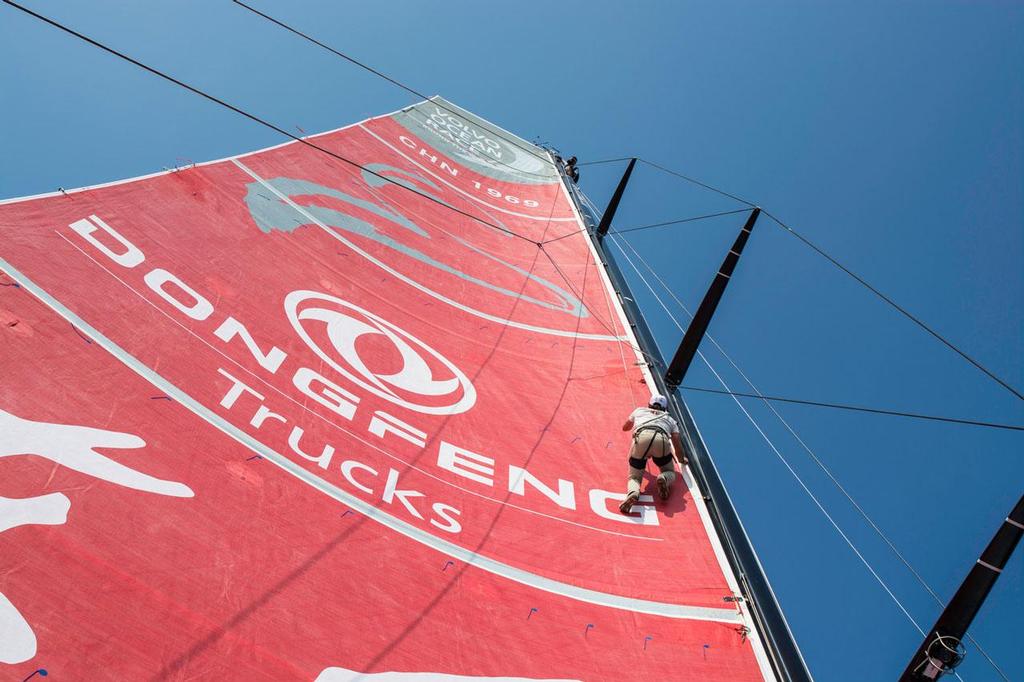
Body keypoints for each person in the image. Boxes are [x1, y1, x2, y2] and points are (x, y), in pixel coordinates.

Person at [619, 393, 689, 514]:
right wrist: (682, 459)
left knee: (634, 477)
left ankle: (633, 493)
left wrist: (635, 419)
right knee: (670, 471)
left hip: (641, 438)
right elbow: (676, 442)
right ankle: (663, 478)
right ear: (665, 408)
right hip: (661, 440)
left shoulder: (640, 410)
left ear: (649, 404)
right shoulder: (670, 419)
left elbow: (625, 427)